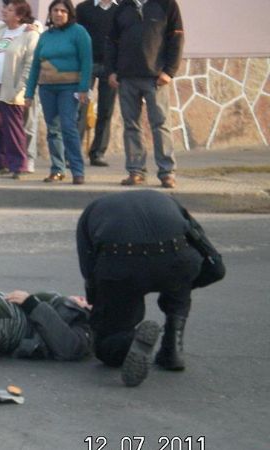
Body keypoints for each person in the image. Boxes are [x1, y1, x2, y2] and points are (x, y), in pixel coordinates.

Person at [77, 190, 208, 387]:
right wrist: (191, 278)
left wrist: (99, 308)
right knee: (180, 276)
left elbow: (89, 270)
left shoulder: (91, 212)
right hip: (176, 258)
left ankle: (129, 341)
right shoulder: (167, 200)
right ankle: (173, 346)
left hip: (122, 266)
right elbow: (199, 239)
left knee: (107, 347)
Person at [107, 0, 184, 189]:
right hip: (127, 77)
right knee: (131, 125)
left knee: (161, 124)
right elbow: (111, 42)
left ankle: (167, 173)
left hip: (155, 77)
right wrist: (111, 71)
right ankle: (136, 171)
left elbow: (177, 38)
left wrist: (170, 71)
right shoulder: (122, 7)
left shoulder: (167, 5)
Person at [24, 0, 92, 185]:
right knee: (53, 130)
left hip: (70, 88)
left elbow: (86, 62)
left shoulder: (79, 33)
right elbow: (35, 66)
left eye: (63, 10)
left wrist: (84, 88)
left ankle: (77, 171)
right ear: (50, 13)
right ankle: (57, 169)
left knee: (68, 127)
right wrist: (29, 93)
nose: (59, 14)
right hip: (47, 88)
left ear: (69, 13)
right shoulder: (45, 36)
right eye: (55, 10)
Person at [0, 0, 39, 179]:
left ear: (20, 15)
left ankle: (18, 164)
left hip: (11, 87)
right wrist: (6, 20)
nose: (4, 11)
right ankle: (1, 163)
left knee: (13, 127)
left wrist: (21, 87)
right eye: (5, 8)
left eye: (10, 9)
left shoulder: (29, 34)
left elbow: (30, 64)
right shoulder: (1, 31)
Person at [76, 0, 119, 167]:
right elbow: (76, 35)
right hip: (87, 64)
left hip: (111, 67)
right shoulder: (83, 8)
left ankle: (98, 152)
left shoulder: (121, 8)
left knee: (106, 110)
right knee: (80, 107)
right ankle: (73, 151)